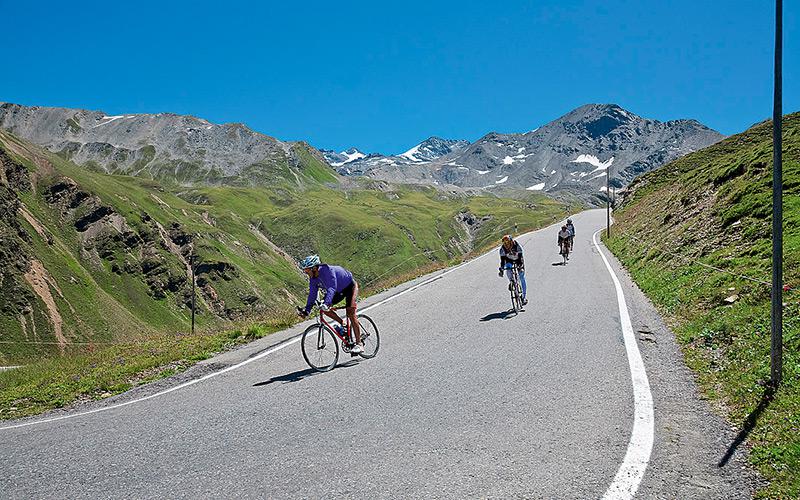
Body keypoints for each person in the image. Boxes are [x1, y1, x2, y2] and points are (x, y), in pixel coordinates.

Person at [297, 255, 363, 354]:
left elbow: (331, 288)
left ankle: (359, 344)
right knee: (324, 310)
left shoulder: (328, 271)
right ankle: (343, 324)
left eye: (307, 270)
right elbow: (312, 294)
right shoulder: (313, 278)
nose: (305, 272)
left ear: (314, 268)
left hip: (350, 287)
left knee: (350, 313)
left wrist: (327, 303)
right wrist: (307, 311)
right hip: (337, 292)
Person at [498, 234, 527, 305]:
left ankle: (523, 297)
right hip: (509, 260)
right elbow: (502, 261)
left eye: (507, 242)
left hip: (518, 260)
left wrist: (520, 266)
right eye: (504, 243)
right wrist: (501, 269)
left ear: (511, 241)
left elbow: (520, 256)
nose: (506, 244)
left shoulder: (516, 245)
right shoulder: (502, 249)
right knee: (508, 268)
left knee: (521, 276)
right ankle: (512, 281)